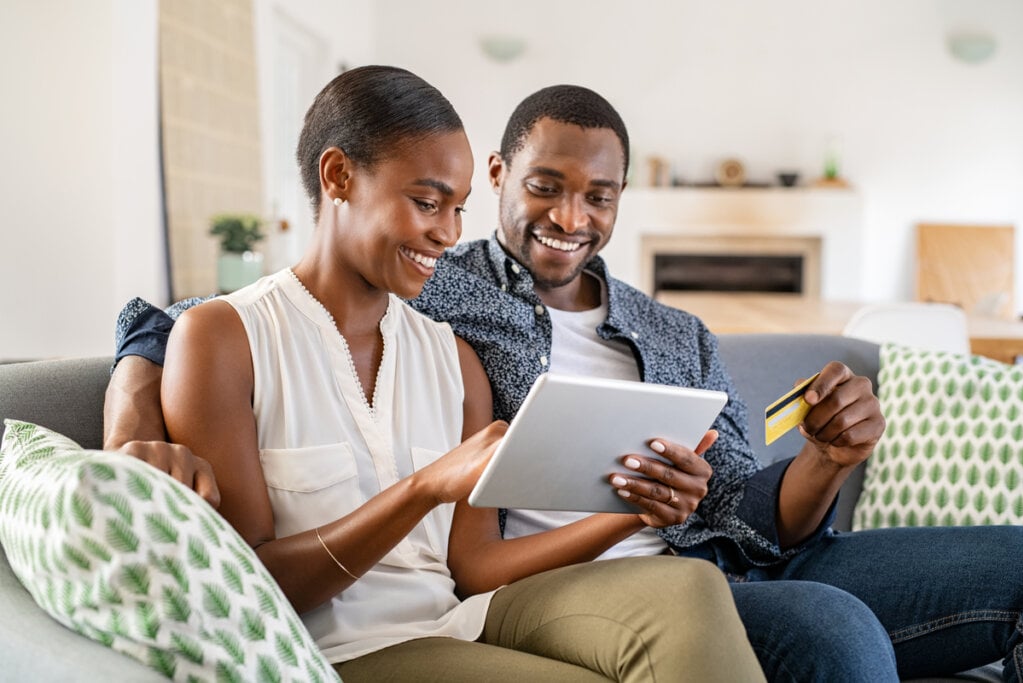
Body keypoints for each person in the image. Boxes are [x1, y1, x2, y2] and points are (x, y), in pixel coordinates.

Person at [106, 81, 1023, 682]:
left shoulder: (675, 334)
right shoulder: (439, 284)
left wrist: (826, 459)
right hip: (550, 594)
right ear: (503, 176)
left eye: (600, 196)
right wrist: (131, 416)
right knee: (834, 633)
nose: (570, 217)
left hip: (726, 558)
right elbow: (177, 320)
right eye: (545, 185)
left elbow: (746, 510)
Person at [120, 65, 765, 682]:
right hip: (336, 651)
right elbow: (250, 587)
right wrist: (422, 489)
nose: (449, 234)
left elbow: (477, 567)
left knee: (690, 585)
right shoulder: (224, 338)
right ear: (339, 175)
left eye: (458, 209)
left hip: (464, 621)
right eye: (428, 203)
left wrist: (636, 512)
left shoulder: (454, 358)